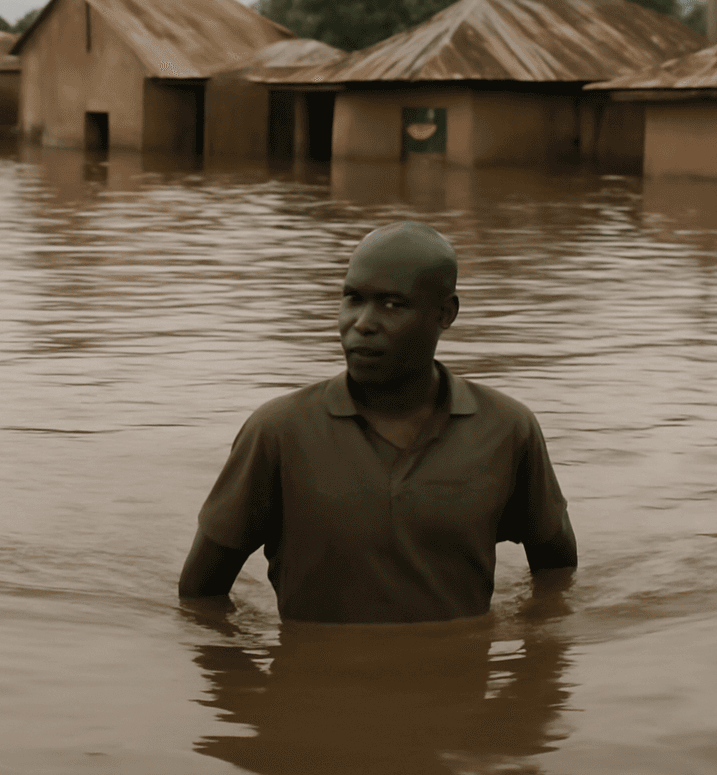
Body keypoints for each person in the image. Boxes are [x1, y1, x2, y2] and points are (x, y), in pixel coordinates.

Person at [178, 221, 576, 623]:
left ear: (445, 314)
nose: (363, 323)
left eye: (392, 304)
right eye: (353, 299)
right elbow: (200, 595)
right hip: (318, 666)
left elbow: (557, 574)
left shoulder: (506, 430)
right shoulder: (278, 432)